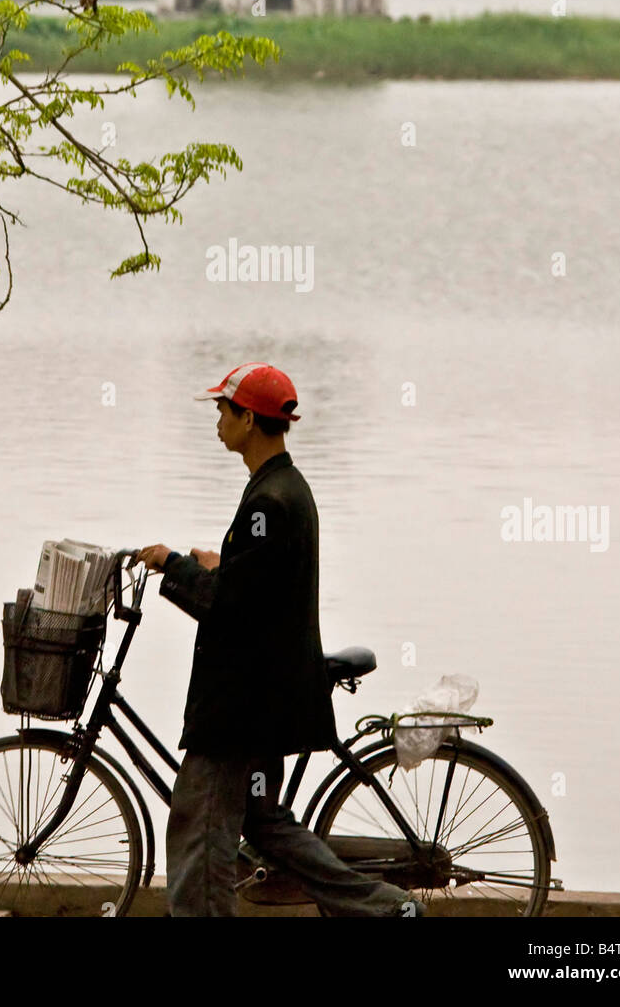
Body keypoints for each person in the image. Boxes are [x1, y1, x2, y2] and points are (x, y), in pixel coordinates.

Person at [136, 362, 424, 919]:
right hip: (266, 697)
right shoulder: (284, 488)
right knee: (262, 820)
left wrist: (172, 564)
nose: (216, 420)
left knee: (199, 831)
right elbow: (261, 584)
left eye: (223, 410)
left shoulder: (269, 500)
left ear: (249, 418)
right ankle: (389, 911)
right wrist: (225, 564)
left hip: (240, 708)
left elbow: (229, 606)